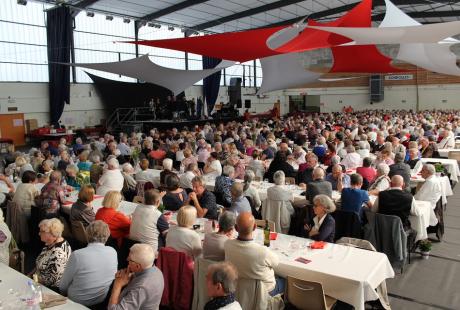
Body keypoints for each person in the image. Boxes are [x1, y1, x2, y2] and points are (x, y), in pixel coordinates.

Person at [60, 221, 118, 307]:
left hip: (75, 303)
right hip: (101, 301)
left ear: (87, 235)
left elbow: (63, 286)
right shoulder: (113, 251)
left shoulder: (77, 255)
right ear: (108, 235)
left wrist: (63, 295)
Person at [225, 212, 282, 297]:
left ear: (236, 228)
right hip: (264, 292)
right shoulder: (263, 251)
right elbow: (276, 263)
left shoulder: (227, 244)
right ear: (255, 227)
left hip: (239, 290)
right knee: (285, 280)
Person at [108, 244, 164, 310]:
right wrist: (130, 276)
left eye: (130, 260)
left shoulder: (141, 289)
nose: (127, 259)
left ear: (137, 266)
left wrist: (117, 284)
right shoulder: (156, 270)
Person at [35, 218, 72, 291]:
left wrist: (34, 279)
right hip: (39, 280)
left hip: (51, 289)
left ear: (52, 233)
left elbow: (52, 281)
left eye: (42, 231)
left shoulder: (58, 253)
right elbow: (41, 261)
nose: (39, 233)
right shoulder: (50, 243)